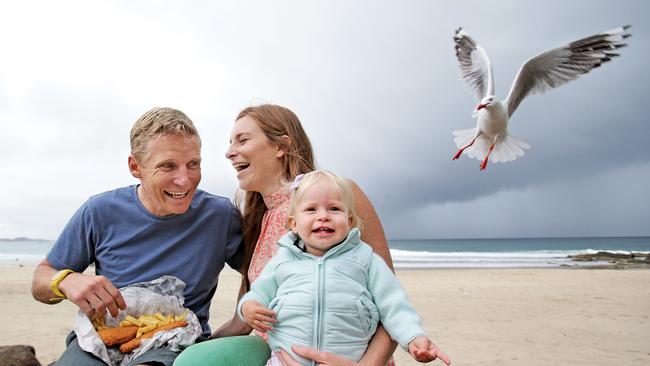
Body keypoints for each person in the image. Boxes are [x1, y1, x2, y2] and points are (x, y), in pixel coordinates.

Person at [174, 104, 398, 366]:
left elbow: (390, 302)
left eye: (242, 140)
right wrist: (190, 348)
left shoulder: (339, 195)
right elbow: (243, 320)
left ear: (281, 147)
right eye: (230, 142)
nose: (229, 152)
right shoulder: (257, 222)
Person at [31, 107, 244, 366]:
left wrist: (240, 320)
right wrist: (65, 280)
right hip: (99, 337)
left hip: (175, 341)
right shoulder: (99, 210)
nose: (184, 180)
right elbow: (40, 282)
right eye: (168, 166)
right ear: (135, 166)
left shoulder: (220, 216)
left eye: (193, 164)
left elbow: (264, 272)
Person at [240, 170, 451, 366]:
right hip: (284, 360)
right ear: (293, 224)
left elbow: (394, 303)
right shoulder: (283, 260)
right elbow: (258, 293)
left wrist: (413, 337)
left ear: (349, 221)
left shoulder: (365, 259)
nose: (323, 216)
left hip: (348, 360)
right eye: (311, 209)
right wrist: (248, 308)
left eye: (334, 209)